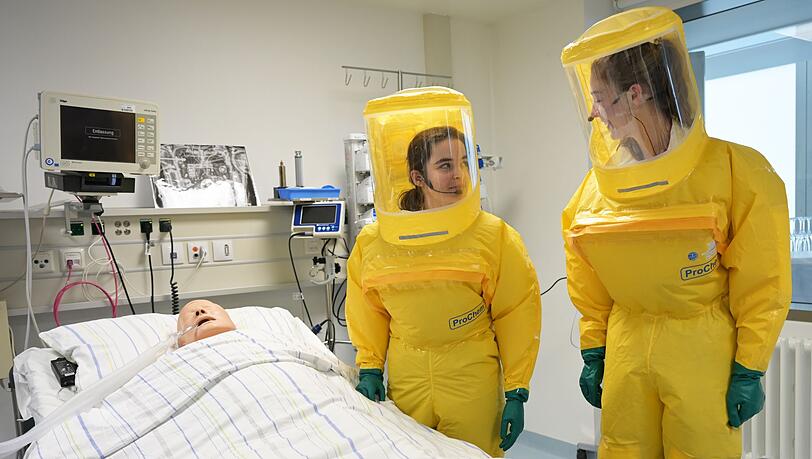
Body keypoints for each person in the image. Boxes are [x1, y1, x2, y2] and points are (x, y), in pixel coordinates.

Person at [560, 7, 791, 458]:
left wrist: (749, 366)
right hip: (626, 344)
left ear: (635, 94)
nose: (594, 113)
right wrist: (594, 348)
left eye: (601, 97)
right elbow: (587, 279)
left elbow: (763, 279)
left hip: (700, 346)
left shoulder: (734, 172)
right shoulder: (595, 192)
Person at [347, 87, 542, 457]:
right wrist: (370, 366)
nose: (459, 175)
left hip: (470, 375)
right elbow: (367, 307)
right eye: (446, 165)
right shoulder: (376, 241)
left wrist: (517, 388)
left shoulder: (493, 235)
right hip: (407, 377)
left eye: (465, 162)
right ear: (418, 177)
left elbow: (516, 311)